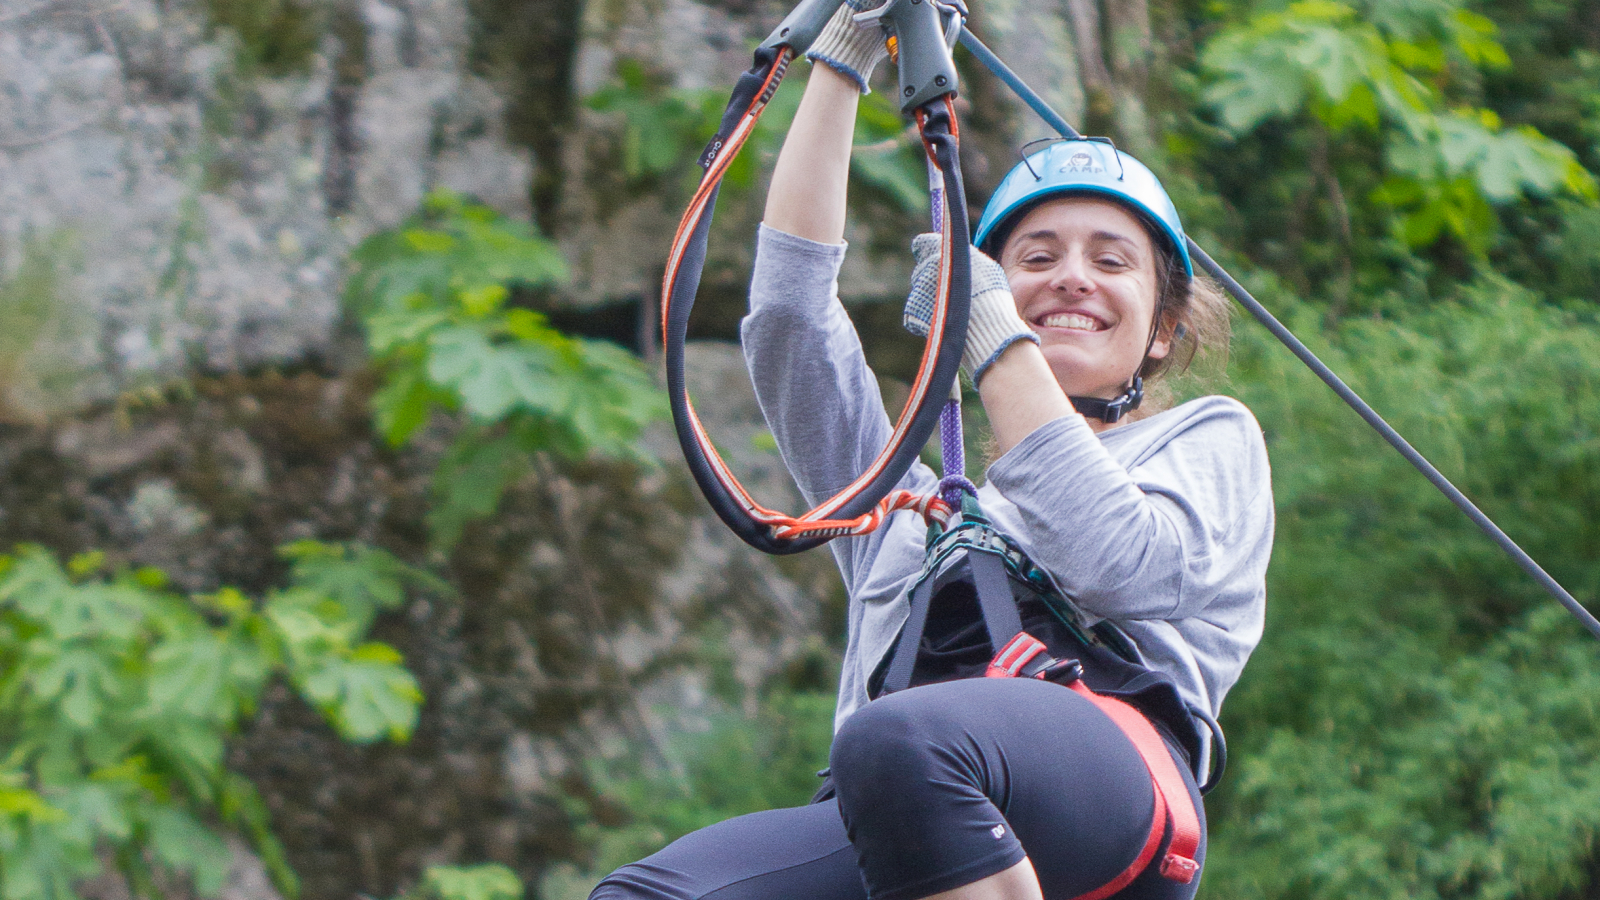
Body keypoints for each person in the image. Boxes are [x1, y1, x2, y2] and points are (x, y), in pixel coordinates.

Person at [591, 5, 1272, 900]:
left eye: (1112, 262)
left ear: (1162, 331)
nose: (1071, 275)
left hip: (1117, 792)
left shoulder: (1205, 441)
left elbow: (1117, 564)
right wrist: (843, 61)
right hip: (905, 813)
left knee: (900, 740)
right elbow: (791, 323)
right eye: (1035, 257)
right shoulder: (902, 512)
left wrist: (991, 332)